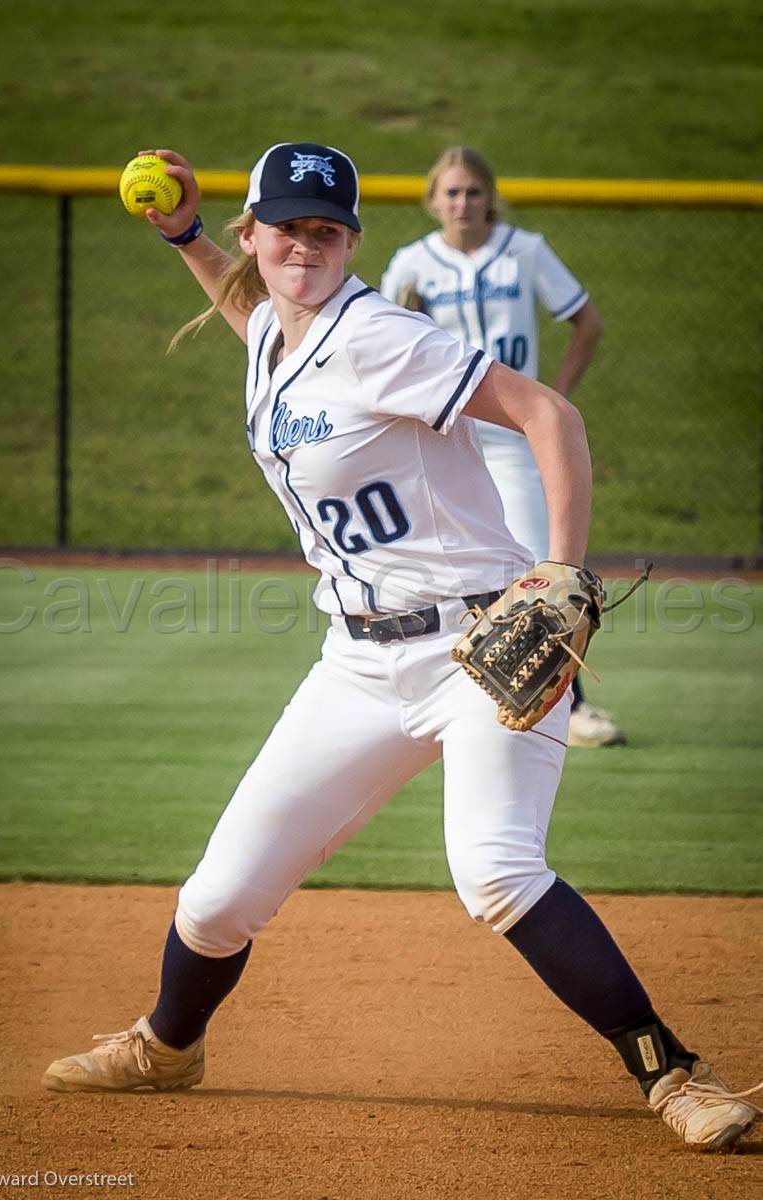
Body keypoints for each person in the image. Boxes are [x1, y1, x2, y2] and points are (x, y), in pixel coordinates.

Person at [42, 142, 761, 1150]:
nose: (305, 243)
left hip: (483, 649)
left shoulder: (380, 336)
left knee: (496, 871)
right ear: (255, 233)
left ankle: (675, 1076)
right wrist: (185, 237)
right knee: (215, 902)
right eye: (285, 225)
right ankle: (166, 1048)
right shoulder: (272, 336)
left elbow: (547, 413)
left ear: (350, 244)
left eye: (326, 228)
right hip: (357, 663)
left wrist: (559, 573)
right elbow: (252, 310)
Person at [380, 146, 623, 749]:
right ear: (432, 200)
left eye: (473, 191)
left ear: (491, 197)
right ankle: (445, 695)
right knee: (442, 567)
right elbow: (384, 346)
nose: (463, 203)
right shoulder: (412, 264)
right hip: (443, 439)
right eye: (452, 192)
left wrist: (552, 401)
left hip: (514, 438)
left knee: (542, 567)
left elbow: (586, 322)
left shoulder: (525, 251)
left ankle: (572, 706)